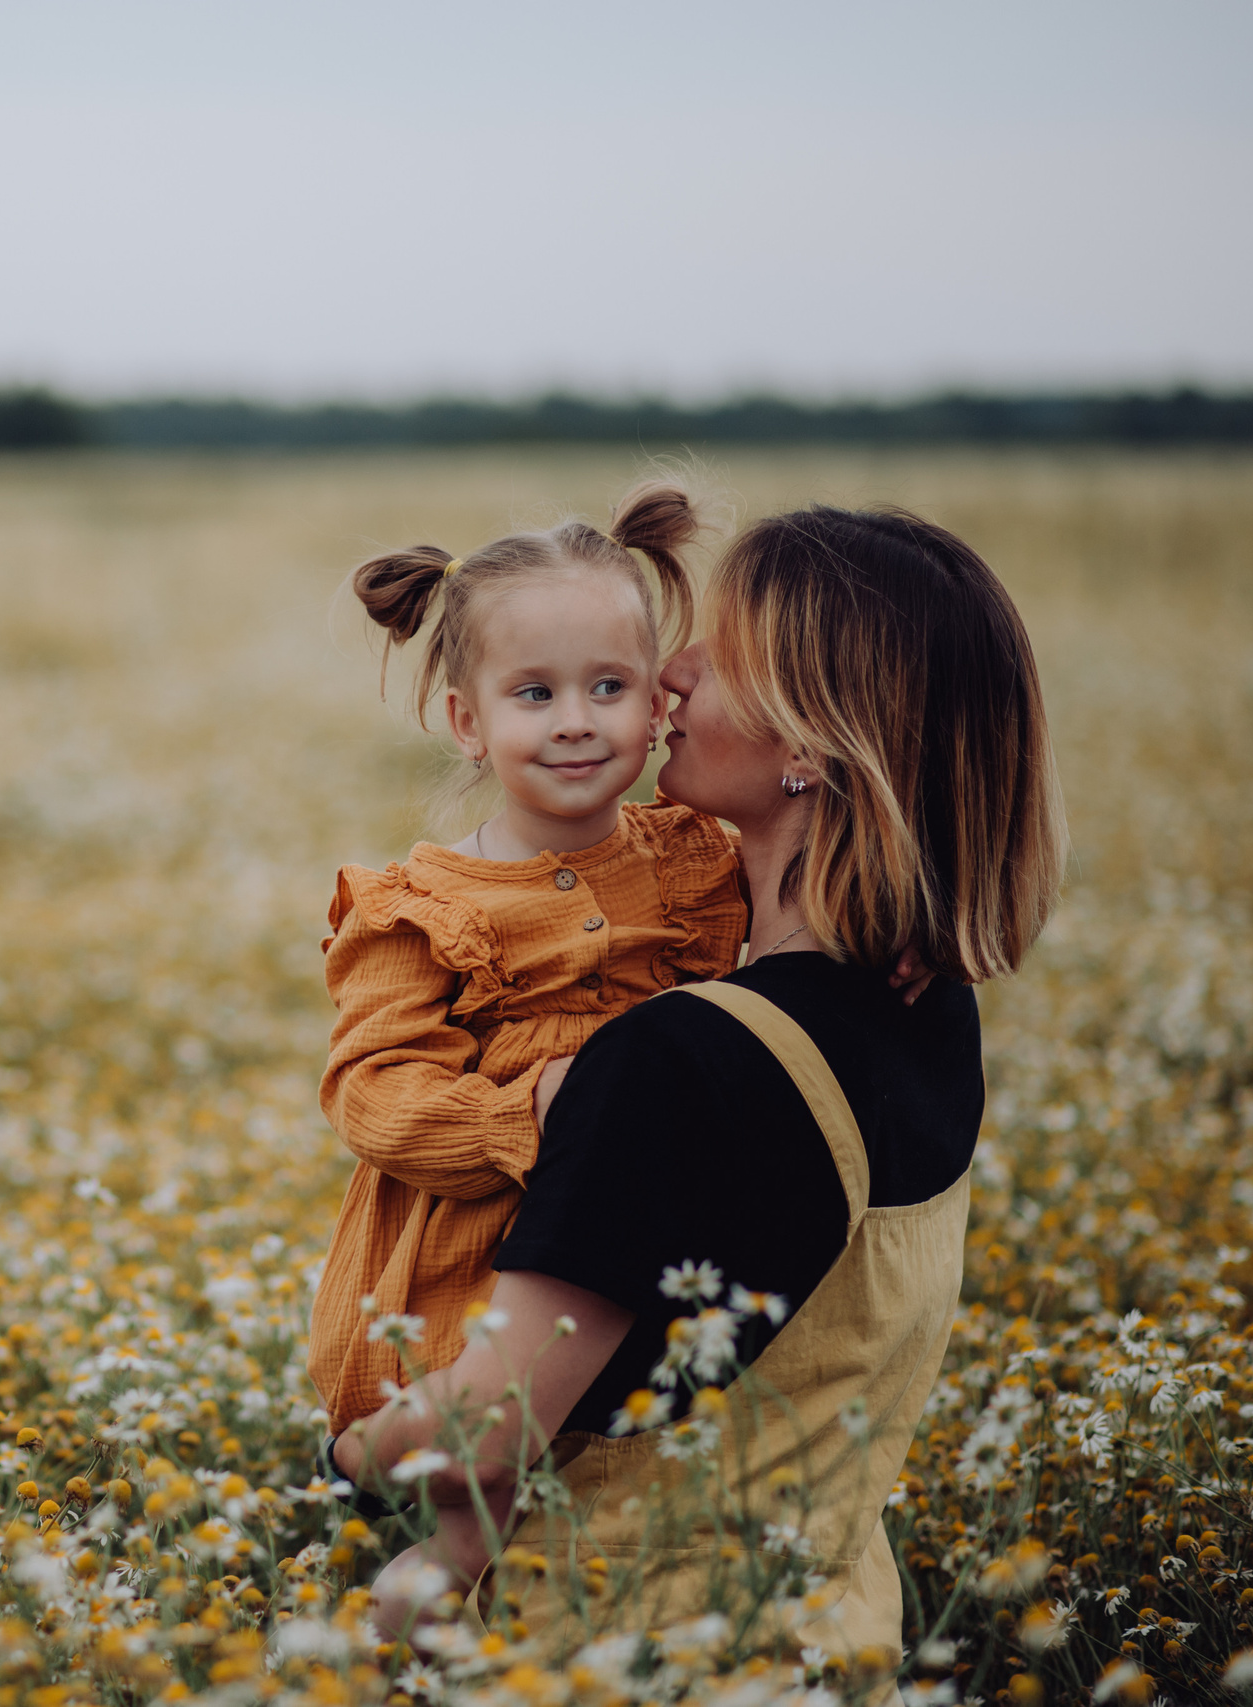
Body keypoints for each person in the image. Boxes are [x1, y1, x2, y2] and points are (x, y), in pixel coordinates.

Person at [328, 503, 1067, 1659]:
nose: (669, 672)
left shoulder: (674, 1062)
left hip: (626, 1653)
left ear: (812, 745)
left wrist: (342, 1448)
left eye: (717, 654)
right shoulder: (926, 1008)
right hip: (837, 1641)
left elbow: (477, 1437)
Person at [309, 482, 745, 1450]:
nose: (577, 721)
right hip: (476, 1259)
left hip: (648, 1236)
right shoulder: (422, 909)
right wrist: (527, 1111)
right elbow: (371, 1092)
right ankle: (429, 1574)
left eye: (608, 687)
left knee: (613, 1458)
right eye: (534, 694)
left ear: (655, 697)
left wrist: (896, 937)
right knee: (488, 1464)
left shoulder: (696, 857)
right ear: (468, 723)